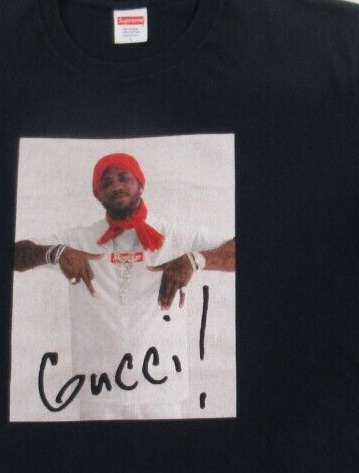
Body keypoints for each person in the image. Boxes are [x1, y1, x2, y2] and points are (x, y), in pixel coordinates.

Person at [14, 152, 236, 420]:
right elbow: (14, 255)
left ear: (140, 184)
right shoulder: (79, 239)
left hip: (161, 390)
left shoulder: (176, 236)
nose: (116, 186)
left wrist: (196, 259)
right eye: (106, 183)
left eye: (124, 178)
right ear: (98, 195)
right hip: (98, 391)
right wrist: (55, 253)